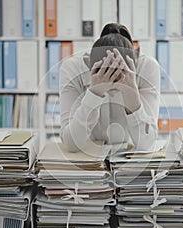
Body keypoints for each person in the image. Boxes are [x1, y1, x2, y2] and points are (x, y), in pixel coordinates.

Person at [59, 23, 160, 153]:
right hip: (89, 158)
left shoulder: (147, 67)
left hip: (127, 159)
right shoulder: (72, 69)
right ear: (90, 64)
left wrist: (131, 93)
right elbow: (71, 144)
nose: (112, 91)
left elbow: (147, 144)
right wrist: (94, 93)